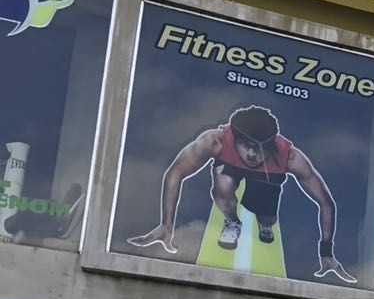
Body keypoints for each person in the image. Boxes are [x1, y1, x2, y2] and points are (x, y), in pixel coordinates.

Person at [128, 105, 354, 282]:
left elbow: (325, 202)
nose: (253, 154)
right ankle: (232, 221)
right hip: (230, 169)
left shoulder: (289, 156)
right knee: (223, 182)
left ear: (271, 146)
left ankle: (265, 224)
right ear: (234, 139)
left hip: (266, 177)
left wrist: (326, 252)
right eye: (246, 145)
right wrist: (166, 225)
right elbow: (175, 173)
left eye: (260, 148)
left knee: (266, 217)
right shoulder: (215, 141)